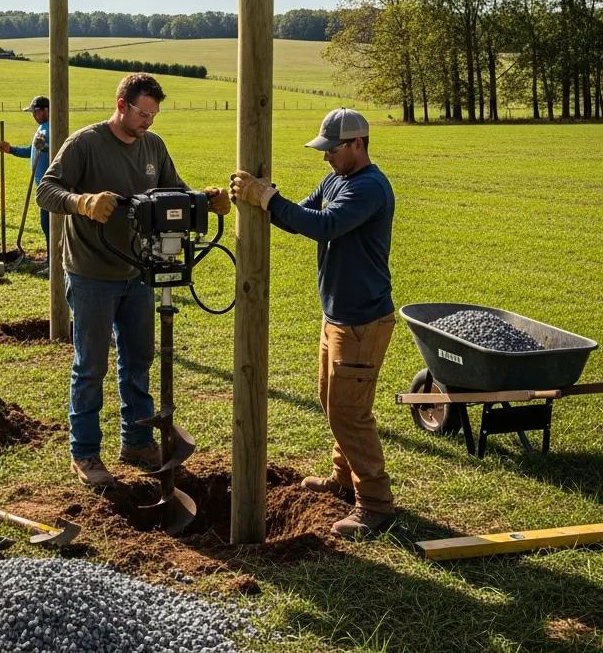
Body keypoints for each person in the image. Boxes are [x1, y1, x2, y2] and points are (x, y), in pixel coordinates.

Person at [37, 72, 231, 488]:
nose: (148, 122)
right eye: (143, 113)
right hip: (91, 273)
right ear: (121, 104)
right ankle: (85, 453)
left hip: (140, 273)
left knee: (138, 360)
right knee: (91, 366)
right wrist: (82, 201)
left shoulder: (153, 146)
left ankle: (138, 441)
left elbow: (172, 192)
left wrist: (206, 201)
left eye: (154, 115)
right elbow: (46, 190)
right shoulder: (85, 143)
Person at [231, 108, 397, 540]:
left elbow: (324, 224)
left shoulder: (369, 188)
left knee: (350, 412)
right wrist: (266, 198)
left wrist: (266, 199)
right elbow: (302, 211)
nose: (326, 158)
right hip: (338, 316)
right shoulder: (337, 179)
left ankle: (375, 504)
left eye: (332, 150)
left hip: (362, 321)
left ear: (357, 144)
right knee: (332, 401)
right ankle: (345, 479)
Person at [0, 95, 51, 261]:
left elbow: (57, 150)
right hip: (42, 184)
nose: (33, 115)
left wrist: (47, 146)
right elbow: (33, 151)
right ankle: (51, 259)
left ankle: (53, 262)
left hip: (51, 184)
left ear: (46, 110)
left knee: (49, 225)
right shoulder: (42, 128)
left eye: (35, 112)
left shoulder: (53, 128)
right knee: (46, 224)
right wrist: (11, 149)